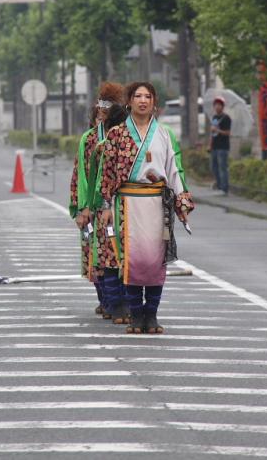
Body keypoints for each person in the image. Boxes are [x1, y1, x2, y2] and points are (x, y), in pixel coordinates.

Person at [98, 81, 194, 334]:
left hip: (156, 205)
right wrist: (106, 205)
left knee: (154, 261)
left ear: (154, 102)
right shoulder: (116, 135)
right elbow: (106, 173)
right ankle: (136, 315)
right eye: (138, 96)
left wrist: (181, 202)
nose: (143, 100)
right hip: (127, 206)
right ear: (129, 101)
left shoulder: (164, 134)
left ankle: (151, 315)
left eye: (148, 96)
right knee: (131, 261)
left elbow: (174, 170)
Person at [69, 82, 125, 316]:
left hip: (119, 206)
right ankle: (106, 301)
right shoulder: (89, 139)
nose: (102, 114)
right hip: (92, 208)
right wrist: (81, 207)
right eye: (99, 110)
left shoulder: (123, 137)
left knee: (115, 255)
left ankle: (117, 303)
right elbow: (79, 174)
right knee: (96, 256)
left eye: (107, 110)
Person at [209, 97, 231, 194]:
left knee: (222, 167)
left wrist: (217, 130)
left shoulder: (226, 118)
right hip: (215, 146)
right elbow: (212, 134)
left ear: (222, 106)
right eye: (216, 105)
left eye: (219, 105)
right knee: (214, 167)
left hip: (223, 147)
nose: (217, 106)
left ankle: (224, 188)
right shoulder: (214, 117)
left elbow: (228, 133)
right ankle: (219, 185)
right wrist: (210, 145)